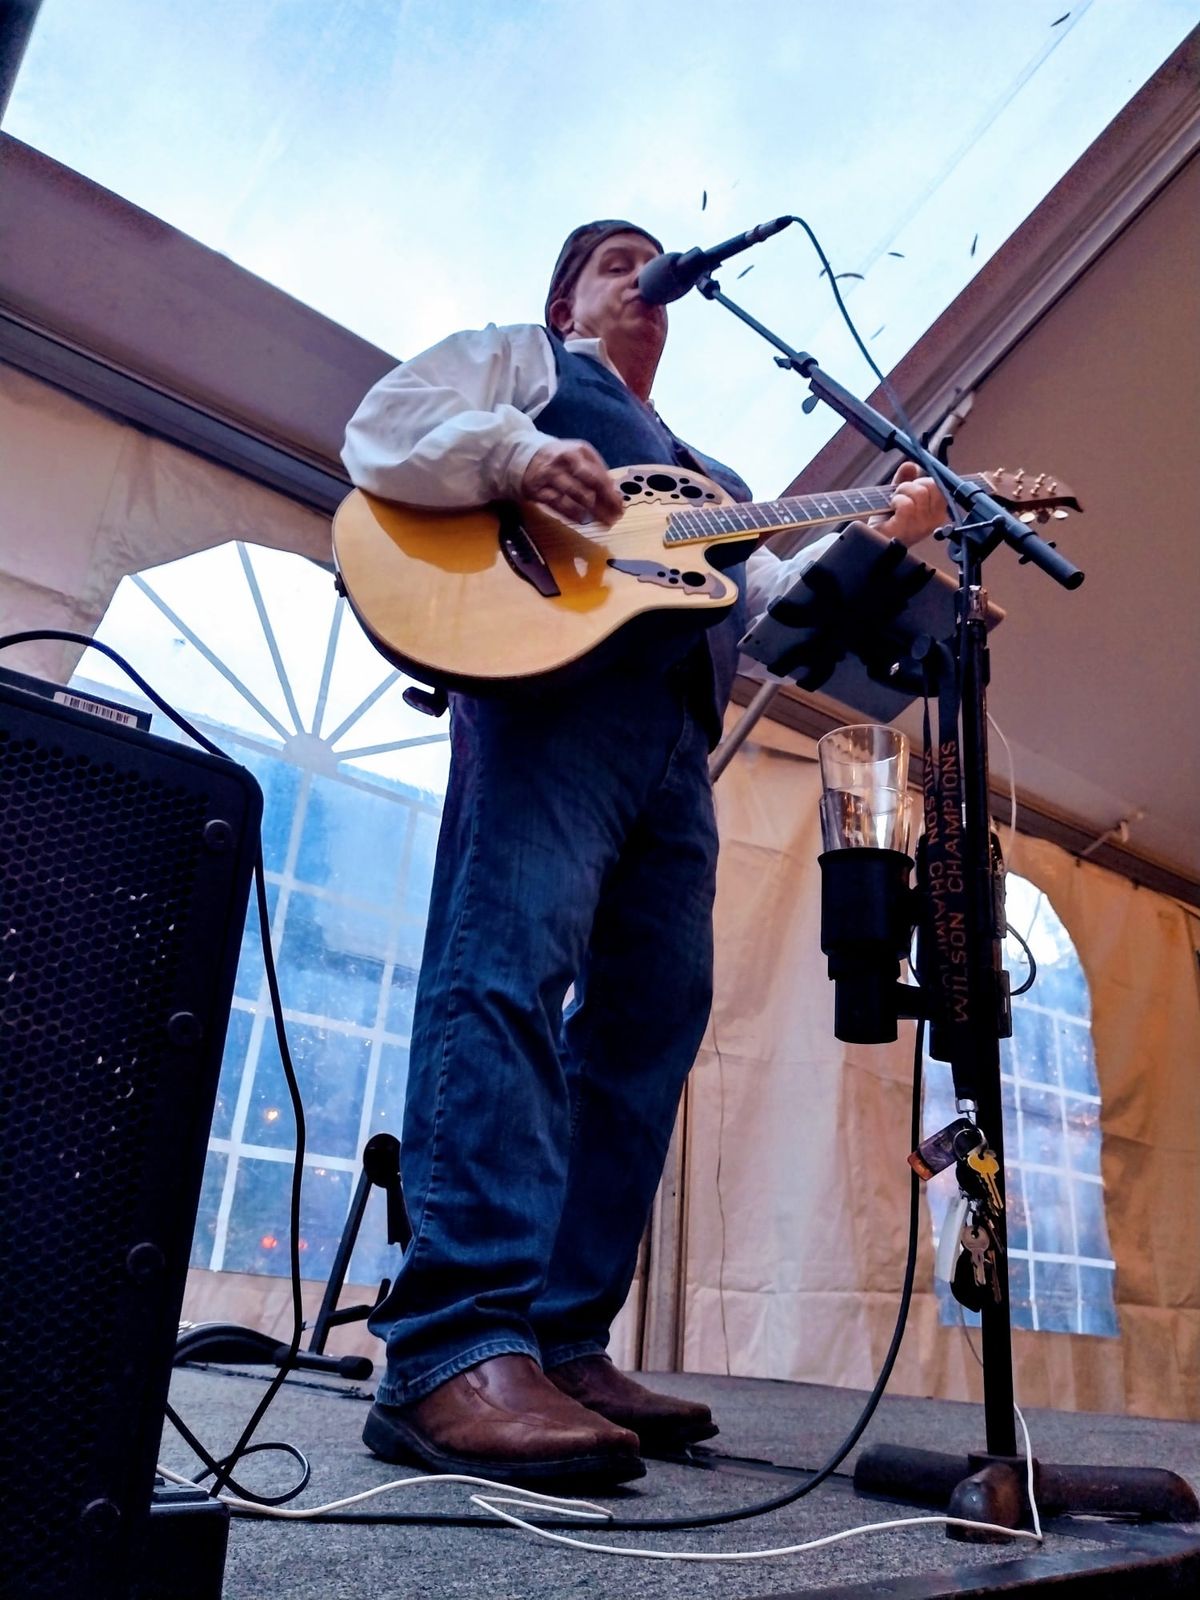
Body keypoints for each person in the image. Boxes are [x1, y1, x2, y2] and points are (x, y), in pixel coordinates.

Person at [341, 220, 944, 1489]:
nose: (646, 282)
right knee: (504, 973)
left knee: (648, 1028)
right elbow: (386, 424)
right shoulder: (523, 362)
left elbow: (778, 610)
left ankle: (559, 1337)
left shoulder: (712, 478)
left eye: (656, 269)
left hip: (675, 746)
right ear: (567, 293)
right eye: (619, 261)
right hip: (553, 700)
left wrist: (885, 539)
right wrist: (520, 452)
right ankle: (451, 1345)